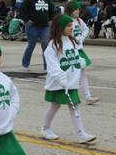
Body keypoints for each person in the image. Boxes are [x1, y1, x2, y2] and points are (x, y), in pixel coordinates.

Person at [40, 14, 95, 143]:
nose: (72, 28)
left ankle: (81, 134)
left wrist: (81, 63)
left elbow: (76, 58)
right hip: (58, 83)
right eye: (68, 26)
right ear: (60, 27)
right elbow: (52, 65)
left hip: (72, 82)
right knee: (55, 106)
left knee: (74, 105)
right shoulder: (53, 45)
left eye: (72, 25)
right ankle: (45, 128)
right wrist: (61, 78)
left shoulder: (72, 41)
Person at [65, 2, 99, 105]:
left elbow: (86, 29)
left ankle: (88, 96)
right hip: (70, 51)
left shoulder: (80, 21)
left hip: (78, 50)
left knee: (82, 72)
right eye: (75, 9)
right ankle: (66, 94)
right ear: (70, 10)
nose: (78, 11)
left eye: (78, 9)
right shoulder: (67, 20)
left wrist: (81, 39)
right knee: (69, 73)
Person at [19, 0, 54, 71]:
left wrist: (51, 20)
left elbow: (52, 11)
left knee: (46, 47)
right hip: (32, 27)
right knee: (31, 46)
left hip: (45, 27)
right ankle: (25, 64)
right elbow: (21, 10)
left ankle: (47, 66)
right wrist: (26, 20)